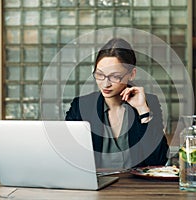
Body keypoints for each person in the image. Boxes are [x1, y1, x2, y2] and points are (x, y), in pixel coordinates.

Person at [65, 38, 168, 170]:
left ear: (131, 74)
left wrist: (143, 111)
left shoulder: (148, 103)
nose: (106, 83)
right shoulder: (81, 106)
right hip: (94, 185)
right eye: (99, 74)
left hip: (136, 187)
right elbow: (67, 156)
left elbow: (158, 161)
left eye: (115, 76)